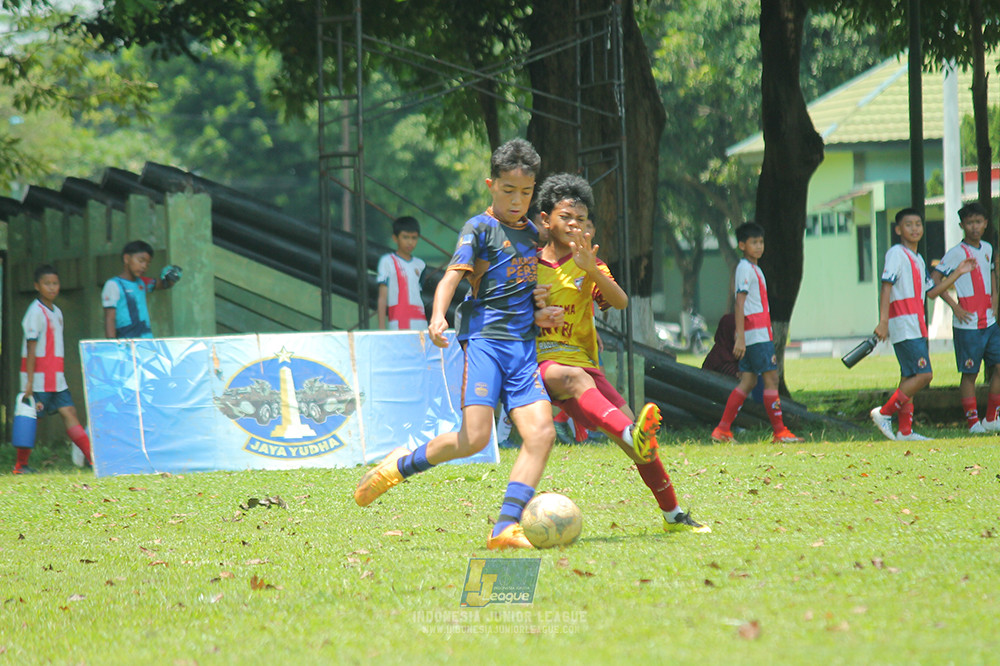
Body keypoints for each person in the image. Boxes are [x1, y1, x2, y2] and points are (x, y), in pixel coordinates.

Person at [354, 139, 562, 550]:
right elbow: (451, 276)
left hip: (523, 349)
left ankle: (505, 527)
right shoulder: (479, 228)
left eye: (525, 192)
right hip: (485, 343)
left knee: (541, 435)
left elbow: (532, 279)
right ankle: (398, 466)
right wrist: (437, 316)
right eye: (508, 190)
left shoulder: (536, 234)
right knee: (473, 439)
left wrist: (542, 307)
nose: (517, 200)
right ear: (491, 184)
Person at [534, 173, 709, 533]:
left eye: (581, 220)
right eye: (566, 217)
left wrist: (591, 272)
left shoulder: (590, 264)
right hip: (540, 364)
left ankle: (674, 515)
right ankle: (630, 433)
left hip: (584, 366)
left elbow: (621, 301)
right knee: (572, 377)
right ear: (545, 220)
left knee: (641, 448)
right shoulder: (527, 265)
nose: (573, 225)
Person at [870, 208, 975, 441]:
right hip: (904, 324)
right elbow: (886, 286)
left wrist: (958, 273)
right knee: (924, 375)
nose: (915, 228)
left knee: (909, 377)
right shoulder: (896, 253)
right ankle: (884, 412)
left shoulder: (917, 258)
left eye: (918, 224)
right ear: (898, 230)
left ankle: (905, 430)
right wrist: (884, 321)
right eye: (909, 225)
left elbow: (931, 292)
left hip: (916, 325)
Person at [711, 222, 803, 444]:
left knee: (748, 382)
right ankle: (780, 432)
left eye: (761, 242)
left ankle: (722, 429)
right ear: (742, 245)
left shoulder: (754, 268)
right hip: (755, 335)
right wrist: (740, 337)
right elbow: (739, 303)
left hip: (758, 334)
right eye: (754, 242)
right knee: (771, 378)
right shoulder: (744, 268)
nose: (759, 246)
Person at [14, 265, 93, 474]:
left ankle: (93, 459)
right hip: (38, 379)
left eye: (55, 283)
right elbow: (31, 345)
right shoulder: (35, 312)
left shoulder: (57, 312)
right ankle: (20, 465)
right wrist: (29, 381)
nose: (52, 287)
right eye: (47, 284)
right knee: (31, 419)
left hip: (56, 379)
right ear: (37, 286)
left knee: (69, 411)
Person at [932, 202, 1000, 434]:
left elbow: (992, 274)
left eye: (978, 222)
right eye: (969, 223)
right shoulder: (956, 254)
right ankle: (973, 423)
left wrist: (995, 302)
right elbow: (935, 281)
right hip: (967, 324)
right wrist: (954, 306)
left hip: (989, 322)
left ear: (985, 224)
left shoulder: (988, 248)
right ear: (962, 225)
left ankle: (992, 417)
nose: (974, 227)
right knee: (970, 373)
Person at [101, 240, 181, 339]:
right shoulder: (113, 285)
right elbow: (110, 319)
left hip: (146, 343)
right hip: (126, 344)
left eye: (148, 263)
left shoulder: (142, 282)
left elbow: (163, 284)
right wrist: (113, 347)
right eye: (141, 260)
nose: (144, 266)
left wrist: (170, 277)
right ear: (126, 259)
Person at [376, 216, 427, 330]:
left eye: (414, 238)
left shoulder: (421, 264)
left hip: (420, 322)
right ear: (395, 238)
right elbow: (382, 297)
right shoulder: (387, 261)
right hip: (398, 322)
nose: (410, 242)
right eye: (405, 237)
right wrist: (381, 327)